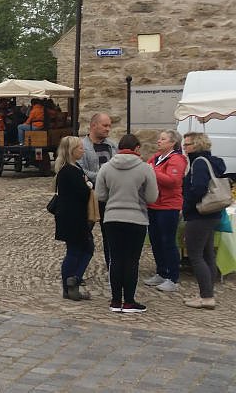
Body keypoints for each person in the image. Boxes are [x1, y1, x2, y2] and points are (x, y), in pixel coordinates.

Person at [95, 134, 158, 313]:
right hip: (136, 219)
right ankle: (129, 301)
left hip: (112, 218)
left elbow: (100, 195)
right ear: (137, 148)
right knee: (131, 260)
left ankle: (115, 301)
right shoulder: (145, 169)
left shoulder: (106, 167)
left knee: (116, 259)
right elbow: (152, 197)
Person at [181, 132, 227, 309]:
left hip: (199, 214)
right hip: (212, 214)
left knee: (196, 255)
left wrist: (188, 206)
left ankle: (207, 297)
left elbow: (198, 189)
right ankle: (207, 292)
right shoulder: (213, 161)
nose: (185, 148)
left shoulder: (199, 163)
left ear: (197, 145)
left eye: (188, 144)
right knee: (208, 255)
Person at [144, 129, 186, 292]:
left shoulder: (177, 159)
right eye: (159, 138)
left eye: (163, 139)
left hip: (168, 206)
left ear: (172, 143)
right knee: (155, 240)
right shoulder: (155, 158)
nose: (159, 141)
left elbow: (173, 181)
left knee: (168, 241)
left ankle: (173, 277)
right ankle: (161, 272)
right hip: (153, 204)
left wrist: (151, 172)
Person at [53, 136, 94, 301]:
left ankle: (71, 284)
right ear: (72, 151)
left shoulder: (74, 167)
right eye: (80, 148)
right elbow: (82, 192)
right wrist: (89, 186)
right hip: (73, 217)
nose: (82, 151)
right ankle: (72, 281)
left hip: (73, 216)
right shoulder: (69, 170)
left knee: (82, 249)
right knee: (78, 250)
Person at [77, 112, 118, 267]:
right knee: (84, 235)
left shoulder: (112, 145)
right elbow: (80, 169)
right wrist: (104, 175)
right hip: (90, 197)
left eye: (109, 125)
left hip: (110, 198)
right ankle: (76, 271)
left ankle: (112, 269)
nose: (108, 129)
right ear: (93, 125)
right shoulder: (82, 146)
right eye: (105, 125)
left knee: (111, 236)